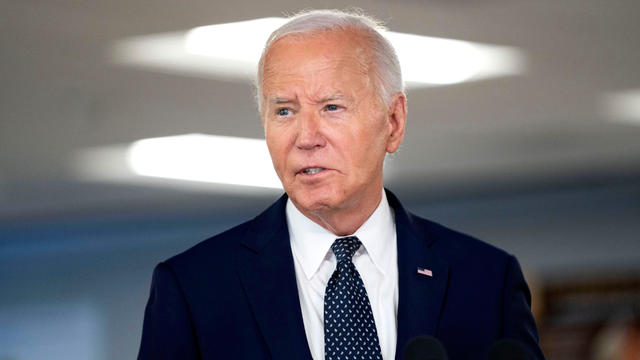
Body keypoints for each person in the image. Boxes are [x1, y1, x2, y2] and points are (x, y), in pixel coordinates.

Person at [138, 9, 545, 360]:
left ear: (393, 122)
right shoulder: (194, 289)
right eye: (284, 111)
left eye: (331, 107)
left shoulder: (486, 280)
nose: (306, 136)